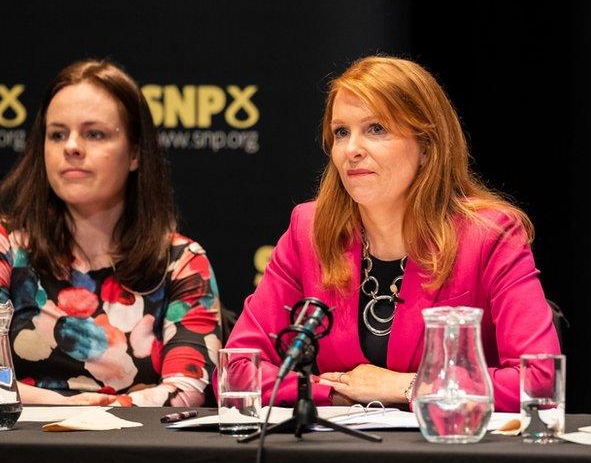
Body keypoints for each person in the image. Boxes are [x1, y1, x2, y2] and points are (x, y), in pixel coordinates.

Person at [223, 56, 560, 412]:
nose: (352, 149)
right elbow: (237, 368)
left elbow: (538, 380)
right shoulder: (309, 230)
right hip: (338, 458)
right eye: (341, 132)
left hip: (450, 454)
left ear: (427, 148)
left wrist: (408, 386)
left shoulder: (489, 236)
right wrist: (335, 394)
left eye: (376, 129)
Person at [0, 59, 222, 406]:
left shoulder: (181, 262)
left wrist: (106, 413)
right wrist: (66, 407)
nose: (72, 147)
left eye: (94, 134)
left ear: (136, 154)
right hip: (19, 454)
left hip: (139, 455)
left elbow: (190, 389)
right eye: (57, 134)